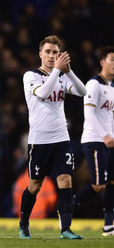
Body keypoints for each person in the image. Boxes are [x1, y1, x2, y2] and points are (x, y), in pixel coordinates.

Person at [19, 35, 86, 239]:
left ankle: (65, 228)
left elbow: (83, 92)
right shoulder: (30, 76)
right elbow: (43, 93)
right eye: (47, 52)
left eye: (55, 52)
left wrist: (68, 71)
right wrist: (57, 71)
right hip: (39, 140)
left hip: (61, 137)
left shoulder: (62, 76)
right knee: (35, 185)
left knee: (65, 179)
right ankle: (23, 224)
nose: (51, 56)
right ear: (40, 54)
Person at [73, 46, 114, 236]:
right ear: (102, 62)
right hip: (95, 140)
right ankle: (68, 206)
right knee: (99, 185)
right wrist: (104, 135)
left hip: (110, 141)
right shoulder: (94, 84)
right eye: (112, 59)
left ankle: (108, 226)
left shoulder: (112, 87)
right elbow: (88, 113)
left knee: (111, 183)